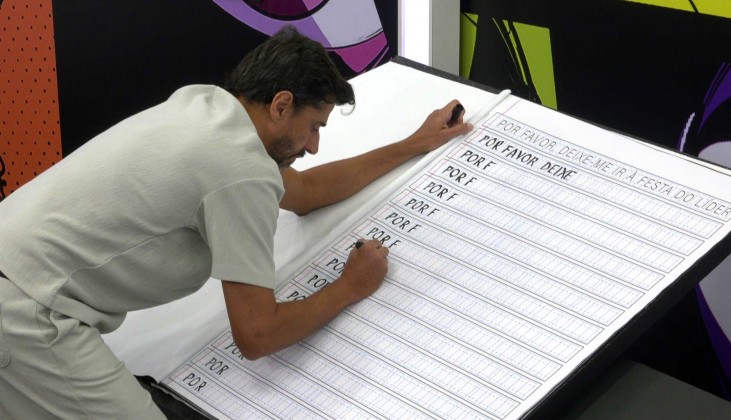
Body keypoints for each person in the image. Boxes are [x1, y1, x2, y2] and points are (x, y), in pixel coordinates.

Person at [0, 26, 470, 418]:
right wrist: (350, 286)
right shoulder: (240, 170)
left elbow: (306, 192)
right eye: (314, 127)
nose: (313, 146)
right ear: (281, 105)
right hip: (28, 312)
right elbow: (258, 335)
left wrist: (415, 143)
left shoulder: (207, 108)